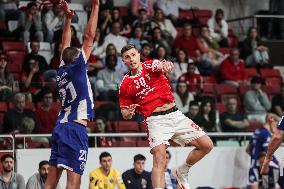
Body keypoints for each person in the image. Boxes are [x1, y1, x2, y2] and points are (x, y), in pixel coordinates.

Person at [119, 44, 213, 189]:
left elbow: (160, 65)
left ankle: (182, 171)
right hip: (155, 121)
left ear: (138, 55)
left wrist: (166, 64)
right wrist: (128, 113)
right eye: (127, 57)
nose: (131, 59)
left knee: (207, 145)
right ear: (123, 61)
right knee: (160, 159)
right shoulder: (125, 84)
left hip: (175, 114)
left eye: (133, 55)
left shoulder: (149, 65)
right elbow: (124, 112)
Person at [44, 1, 99, 189]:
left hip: (60, 127)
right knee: (73, 184)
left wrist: (67, 19)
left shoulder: (61, 70)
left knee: (50, 183)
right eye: (79, 54)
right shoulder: (77, 67)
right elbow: (89, 37)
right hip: (75, 129)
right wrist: (96, 6)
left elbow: (64, 44)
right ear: (76, 60)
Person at [246, 114, 281, 189]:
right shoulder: (266, 134)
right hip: (260, 168)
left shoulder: (256, 132)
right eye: (276, 124)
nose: (276, 127)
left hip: (253, 166)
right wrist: (276, 162)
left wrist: (255, 157)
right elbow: (268, 152)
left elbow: (248, 150)